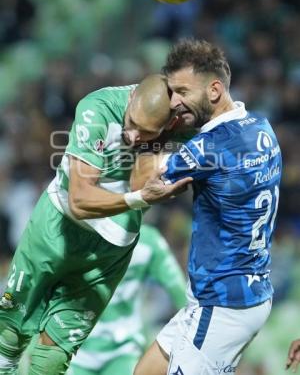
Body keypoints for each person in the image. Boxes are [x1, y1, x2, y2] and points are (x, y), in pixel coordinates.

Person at [0, 75, 191, 375]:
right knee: (9, 333)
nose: (132, 135)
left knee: (55, 353)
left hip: (109, 249)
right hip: (58, 226)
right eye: (131, 123)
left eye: (145, 132)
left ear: (168, 125)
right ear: (131, 100)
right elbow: (79, 200)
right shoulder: (97, 108)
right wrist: (139, 197)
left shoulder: (182, 123)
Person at [133, 39, 282, 375]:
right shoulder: (262, 127)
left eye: (182, 91)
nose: (174, 103)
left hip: (223, 304)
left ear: (214, 90)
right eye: (170, 93)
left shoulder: (208, 148)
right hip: (246, 291)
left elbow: (139, 182)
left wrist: (153, 127)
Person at [67, 223, 186, 375]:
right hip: (76, 346)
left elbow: (182, 297)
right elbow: (183, 296)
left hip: (122, 348)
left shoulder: (149, 241)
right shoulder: (149, 240)